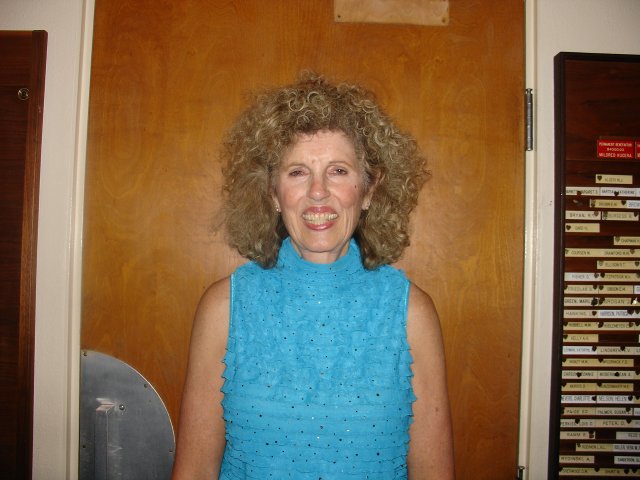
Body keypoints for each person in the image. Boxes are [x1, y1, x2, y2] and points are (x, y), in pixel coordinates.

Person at [172, 72, 454, 479]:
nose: (318, 192)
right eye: (297, 172)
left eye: (338, 170)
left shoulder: (412, 313)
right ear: (273, 193)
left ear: (369, 189)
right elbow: (195, 470)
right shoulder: (224, 308)